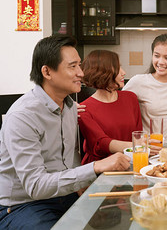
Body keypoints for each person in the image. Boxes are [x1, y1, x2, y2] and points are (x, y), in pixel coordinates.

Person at [0, 35, 130, 230]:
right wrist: (94, 167)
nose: (81, 73)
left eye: (80, 65)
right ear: (47, 72)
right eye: (72, 66)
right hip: (23, 204)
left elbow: (71, 157)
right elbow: (35, 186)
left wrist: (81, 184)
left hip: (64, 195)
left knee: (117, 219)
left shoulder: (69, 107)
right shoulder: (23, 116)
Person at [78, 50, 148, 163]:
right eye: (117, 68)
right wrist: (138, 146)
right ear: (102, 72)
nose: (123, 72)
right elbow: (101, 144)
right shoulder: (84, 109)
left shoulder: (130, 98)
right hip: (101, 168)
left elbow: (137, 135)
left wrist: (140, 146)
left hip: (130, 161)